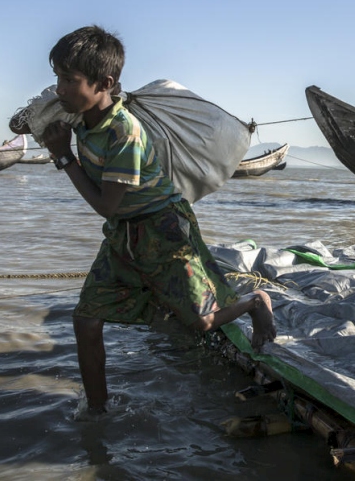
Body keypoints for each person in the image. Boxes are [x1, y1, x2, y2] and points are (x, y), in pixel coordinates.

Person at [19, 25, 276, 415]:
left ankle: (255, 302)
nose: (60, 89)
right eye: (57, 78)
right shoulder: (79, 116)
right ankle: (97, 412)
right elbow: (23, 123)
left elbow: (106, 205)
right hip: (125, 232)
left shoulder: (125, 133)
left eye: (69, 80)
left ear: (105, 83)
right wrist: (36, 121)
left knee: (203, 322)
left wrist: (64, 156)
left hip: (164, 229)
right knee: (86, 320)